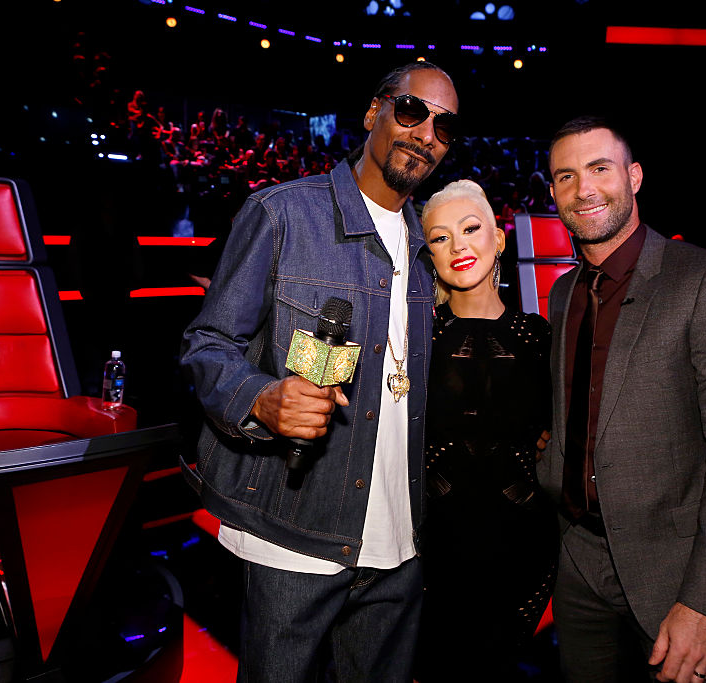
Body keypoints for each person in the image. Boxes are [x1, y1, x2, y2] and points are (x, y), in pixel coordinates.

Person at [180, 61, 460, 682]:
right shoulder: (282, 214)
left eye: (444, 127)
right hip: (294, 534)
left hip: (400, 544)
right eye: (412, 111)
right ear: (374, 112)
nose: (425, 134)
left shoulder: (427, 249)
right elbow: (207, 341)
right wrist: (260, 399)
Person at [538, 116, 706, 683]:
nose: (584, 189)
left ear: (634, 176)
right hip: (578, 563)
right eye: (566, 176)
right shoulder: (565, 292)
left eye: (600, 168)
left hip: (676, 574)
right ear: (553, 193)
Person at [415, 180, 557, 680]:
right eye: (440, 237)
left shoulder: (539, 337)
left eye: (471, 228)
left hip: (522, 547)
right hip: (431, 550)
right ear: (429, 254)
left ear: (498, 239)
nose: (458, 245)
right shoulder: (414, 335)